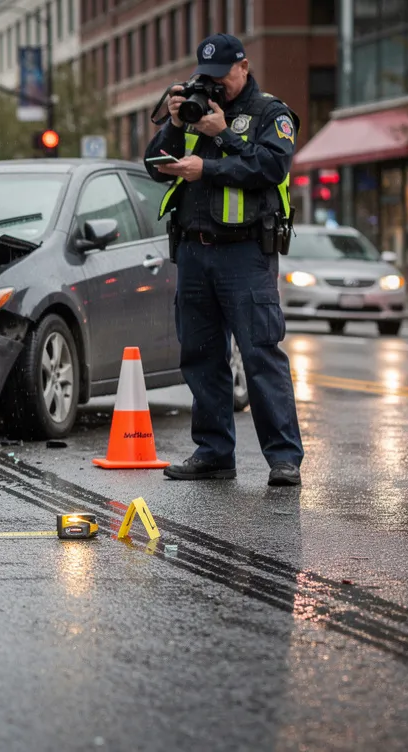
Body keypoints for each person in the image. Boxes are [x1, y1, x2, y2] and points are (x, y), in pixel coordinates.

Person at [144, 33, 304, 486]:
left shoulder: (269, 113)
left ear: (244, 67)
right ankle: (214, 452)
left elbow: (272, 167)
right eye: (207, 77)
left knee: (259, 354)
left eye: (223, 77)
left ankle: (284, 458)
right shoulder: (194, 106)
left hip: (246, 255)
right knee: (201, 355)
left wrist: (216, 151)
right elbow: (153, 164)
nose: (216, 86)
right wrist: (176, 125)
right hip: (194, 252)